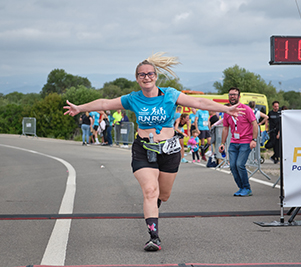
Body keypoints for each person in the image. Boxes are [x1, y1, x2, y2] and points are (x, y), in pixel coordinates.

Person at [63, 52, 243, 251]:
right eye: (142, 74)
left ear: (156, 76)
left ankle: (154, 207)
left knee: (162, 195)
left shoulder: (170, 95)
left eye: (150, 74)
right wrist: (79, 108)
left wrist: (226, 109)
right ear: (137, 78)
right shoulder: (133, 99)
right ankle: (153, 237)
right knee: (149, 190)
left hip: (169, 150)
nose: (146, 77)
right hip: (143, 149)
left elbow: (199, 103)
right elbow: (105, 103)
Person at [219, 87, 258, 197]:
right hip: (233, 142)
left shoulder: (246, 109)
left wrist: (254, 140)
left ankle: (247, 188)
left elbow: (254, 124)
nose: (232, 96)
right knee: (232, 166)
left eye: (235, 94)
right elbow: (225, 128)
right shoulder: (227, 112)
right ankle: (241, 188)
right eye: (230, 94)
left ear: (239, 97)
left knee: (240, 164)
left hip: (245, 142)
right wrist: (222, 143)